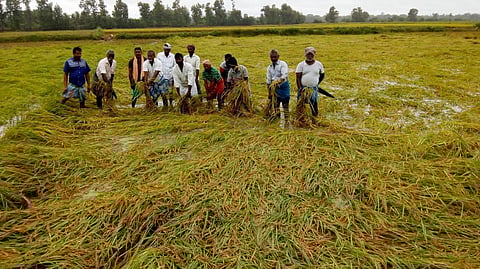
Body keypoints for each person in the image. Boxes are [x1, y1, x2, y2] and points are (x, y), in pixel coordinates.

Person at [295, 46, 325, 117]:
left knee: (314, 103)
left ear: (314, 55)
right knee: (301, 104)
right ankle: (300, 118)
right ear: (305, 55)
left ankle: (315, 117)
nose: (310, 56)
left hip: (313, 88)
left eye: (311, 54)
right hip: (303, 88)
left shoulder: (319, 64)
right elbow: (298, 77)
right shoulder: (301, 65)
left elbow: (322, 75)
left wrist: (317, 83)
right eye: (308, 54)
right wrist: (300, 88)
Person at [266, 49, 290, 120]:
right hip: (274, 89)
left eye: (275, 57)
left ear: (278, 56)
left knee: (285, 105)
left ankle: (286, 120)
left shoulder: (283, 64)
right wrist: (269, 92)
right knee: (276, 105)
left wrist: (277, 82)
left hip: (283, 87)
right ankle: (277, 120)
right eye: (272, 57)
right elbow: (268, 81)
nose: (273, 59)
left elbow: (284, 75)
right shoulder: (269, 68)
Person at [157, 42, 175, 107]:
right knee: (163, 92)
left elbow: (174, 66)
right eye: (165, 49)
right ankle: (165, 104)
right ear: (163, 49)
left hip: (170, 76)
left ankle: (171, 103)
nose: (167, 51)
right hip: (162, 77)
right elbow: (158, 65)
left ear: (170, 50)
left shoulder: (173, 56)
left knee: (170, 91)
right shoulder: (159, 55)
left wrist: (173, 76)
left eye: (168, 50)